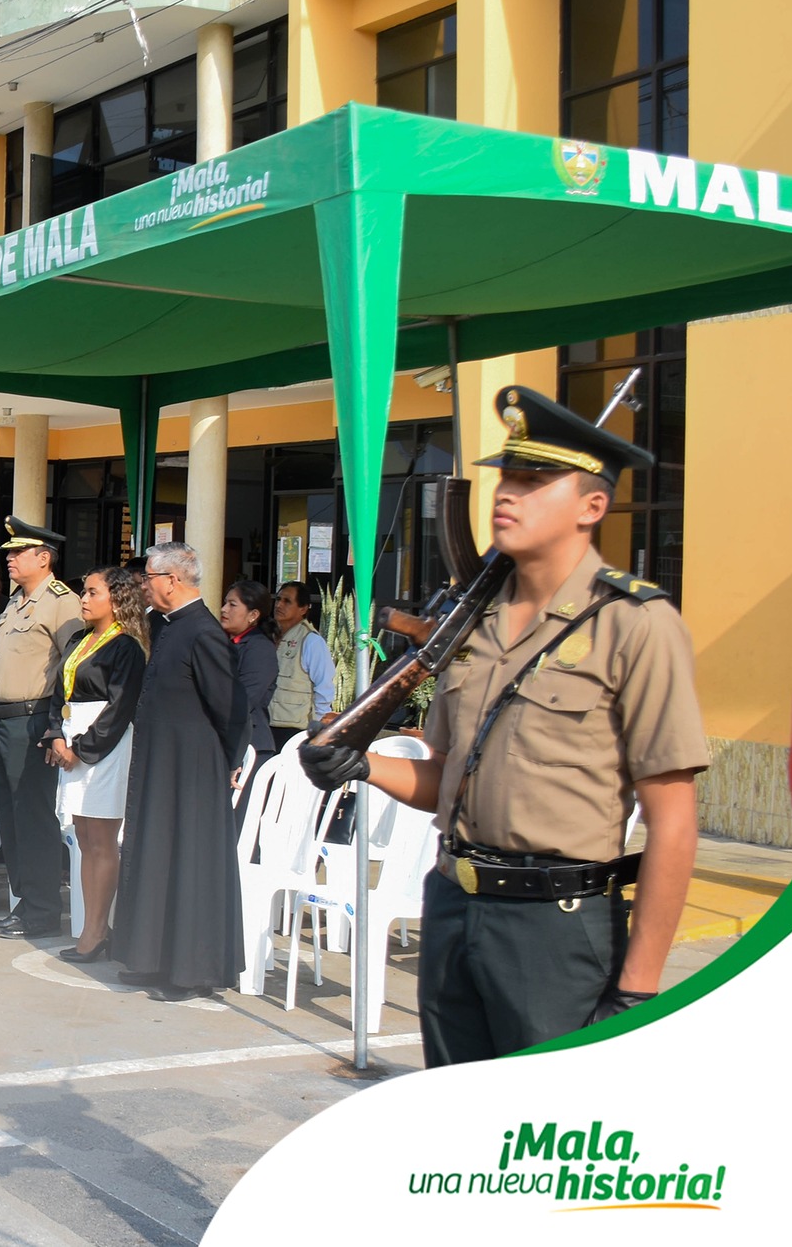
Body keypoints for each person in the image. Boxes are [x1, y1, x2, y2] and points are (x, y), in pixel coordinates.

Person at [303, 386, 709, 1067]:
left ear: (593, 506)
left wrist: (639, 989)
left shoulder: (636, 625)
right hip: (456, 905)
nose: (507, 494)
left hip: (556, 928)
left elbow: (673, 820)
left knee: (541, 1150)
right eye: (506, 476)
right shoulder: (476, 629)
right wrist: (362, 764)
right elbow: (447, 776)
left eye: (534, 480)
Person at [109, 541, 246, 1002]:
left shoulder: (204, 632)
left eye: (148, 577)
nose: (143, 585)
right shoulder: (161, 625)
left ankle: (190, 971)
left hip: (192, 768)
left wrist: (224, 764)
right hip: (159, 762)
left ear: (171, 580)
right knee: (153, 856)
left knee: (188, 862)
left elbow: (229, 707)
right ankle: (151, 958)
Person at [0, 517, 84, 940]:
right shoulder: (16, 602)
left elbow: (72, 670)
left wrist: (56, 727)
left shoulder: (62, 602)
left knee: (34, 818)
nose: (9, 558)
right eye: (9, 552)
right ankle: (25, 904)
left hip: (33, 720)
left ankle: (42, 911)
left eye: (18, 552)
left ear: (44, 558)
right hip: (2, 720)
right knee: (11, 818)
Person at [42, 566, 149, 964]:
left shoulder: (127, 648)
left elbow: (120, 708)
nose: (83, 600)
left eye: (91, 592)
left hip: (104, 747)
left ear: (117, 599)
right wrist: (55, 735)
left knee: (102, 841)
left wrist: (81, 749)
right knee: (84, 839)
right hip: (71, 741)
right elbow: (59, 693)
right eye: (82, 593)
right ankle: (93, 926)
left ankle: (97, 930)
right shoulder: (80, 639)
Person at [220, 579, 280, 800]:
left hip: (248, 747)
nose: (224, 610)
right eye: (225, 603)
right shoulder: (225, 642)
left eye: (232, 605)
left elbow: (243, 702)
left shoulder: (259, 648)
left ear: (253, 615)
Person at [268, 580, 334, 752]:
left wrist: (319, 729)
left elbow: (324, 687)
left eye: (287, 601)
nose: (279, 605)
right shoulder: (270, 635)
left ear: (303, 609)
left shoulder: (311, 641)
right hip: (267, 723)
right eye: (278, 599)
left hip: (295, 729)